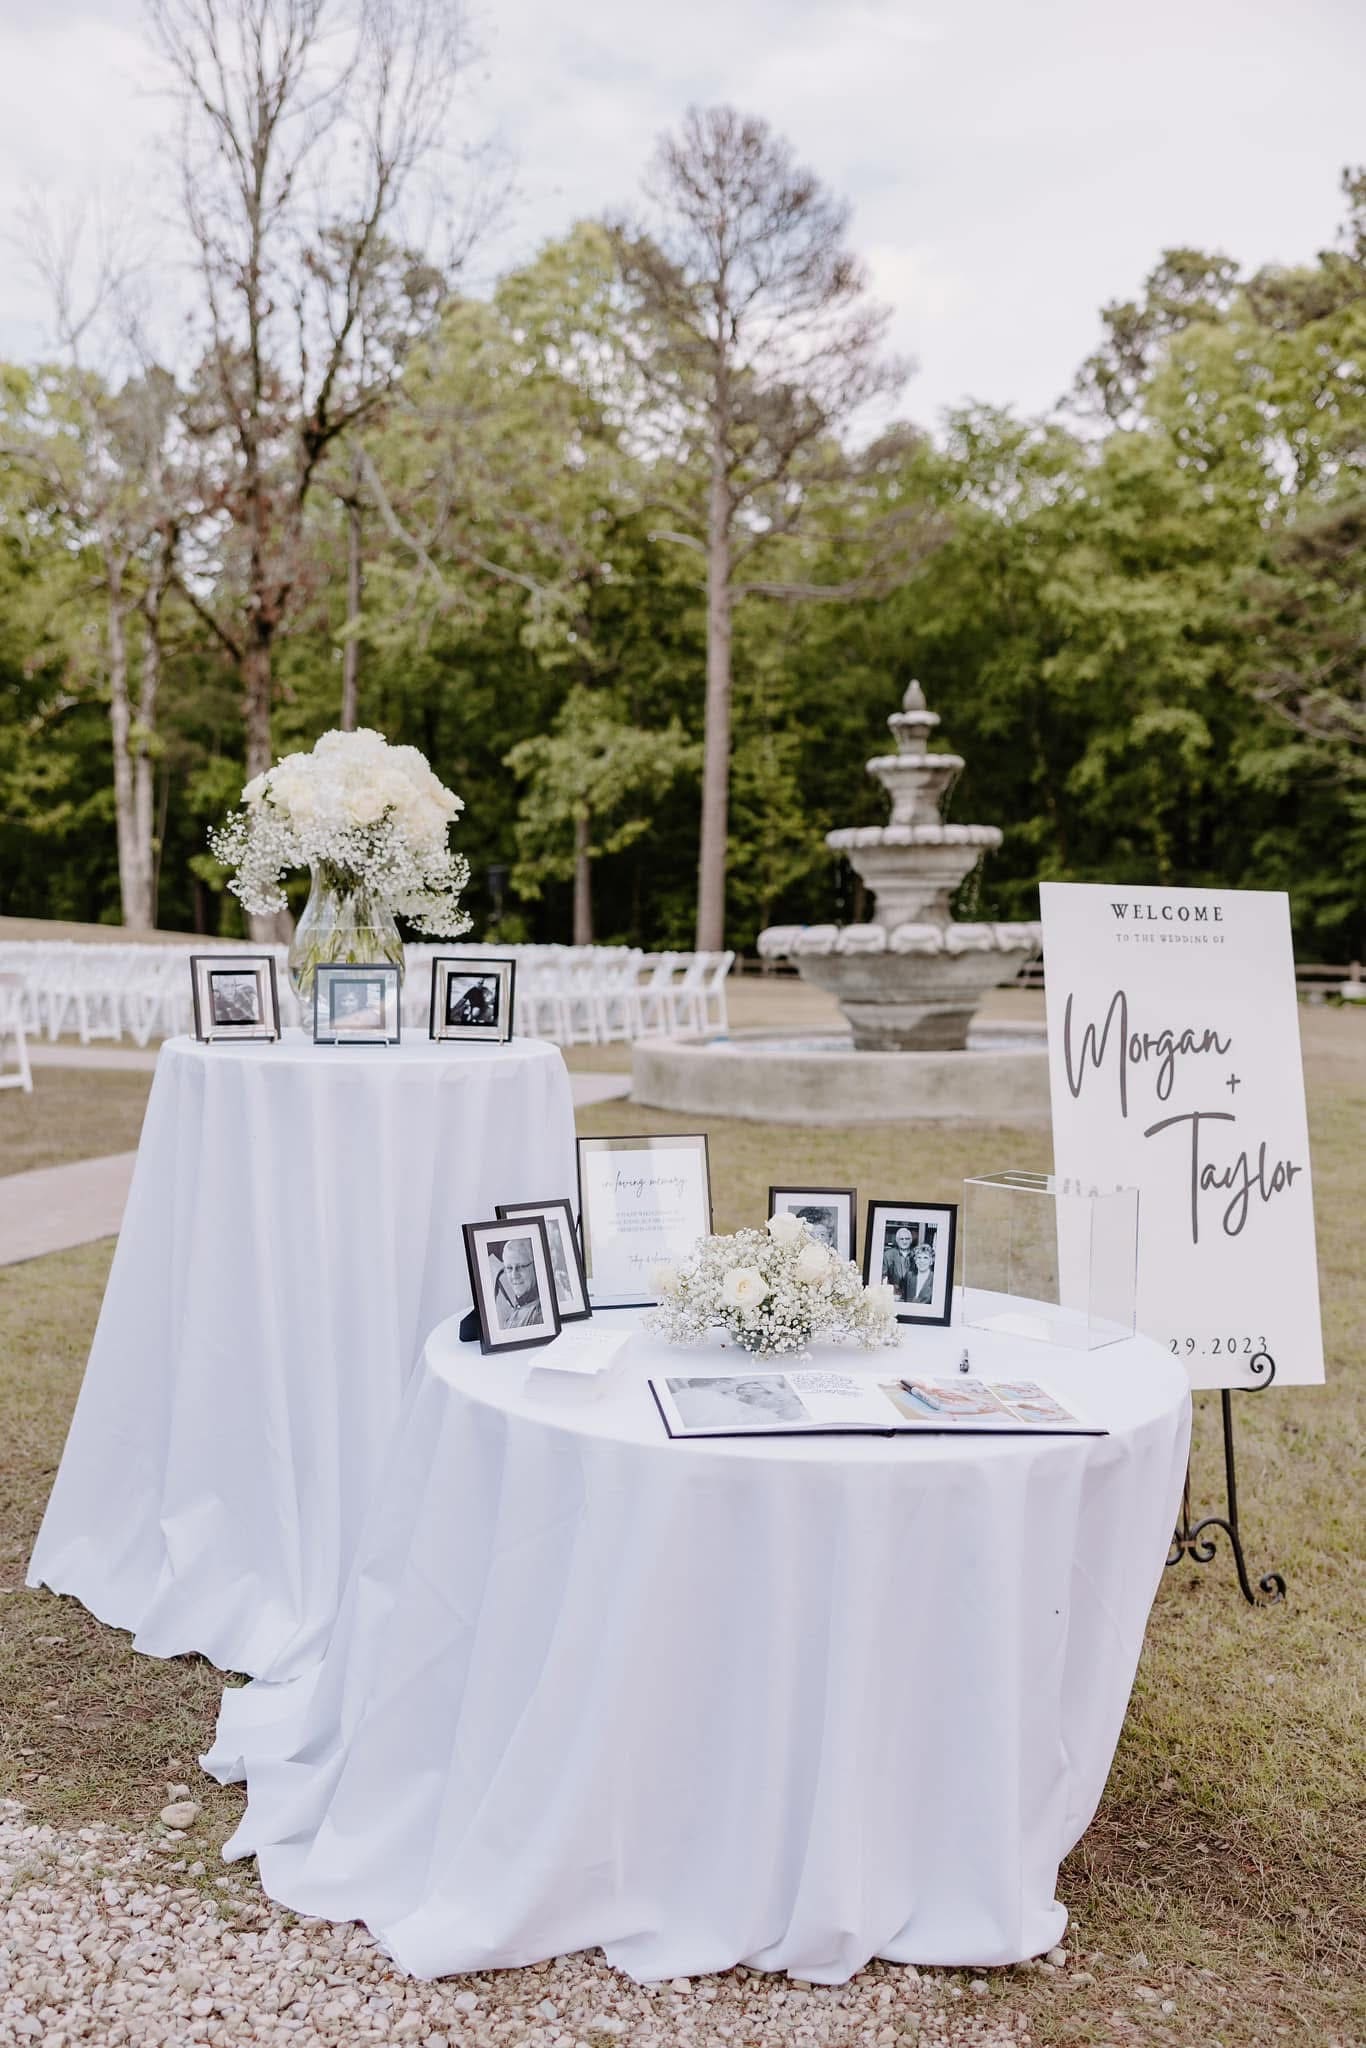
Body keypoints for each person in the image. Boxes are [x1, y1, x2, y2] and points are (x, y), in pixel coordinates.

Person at [492, 1237, 543, 1329]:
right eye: (509, 1268)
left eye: (521, 1266)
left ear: (535, 1266)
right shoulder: (520, 1305)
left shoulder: (539, 1314)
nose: (514, 1275)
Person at [881, 1223, 917, 1300]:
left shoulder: (916, 1255)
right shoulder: (888, 1255)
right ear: (897, 1241)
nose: (904, 1242)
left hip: (912, 1295)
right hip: (894, 1295)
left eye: (907, 1239)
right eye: (902, 1239)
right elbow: (883, 1276)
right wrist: (892, 1289)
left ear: (911, 1241)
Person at [908, 1237, 936, 1306]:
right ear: (915, 1260)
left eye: (925, 1258)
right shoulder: (909, 1276)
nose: (922, 1261)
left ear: (931, 1261)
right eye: (919, 1257)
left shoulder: (936, 1279)